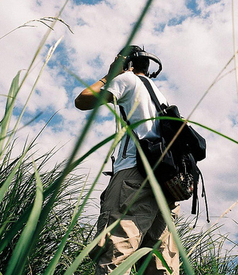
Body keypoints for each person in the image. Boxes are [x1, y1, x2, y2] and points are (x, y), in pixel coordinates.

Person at [75, 45, 179, 275]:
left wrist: (111, 74)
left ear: (128, 64)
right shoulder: (159, 94)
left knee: (115, 254)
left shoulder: (128, 80)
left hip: (134, 176)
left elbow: (82, 101)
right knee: (159, 264)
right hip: (165, 184)